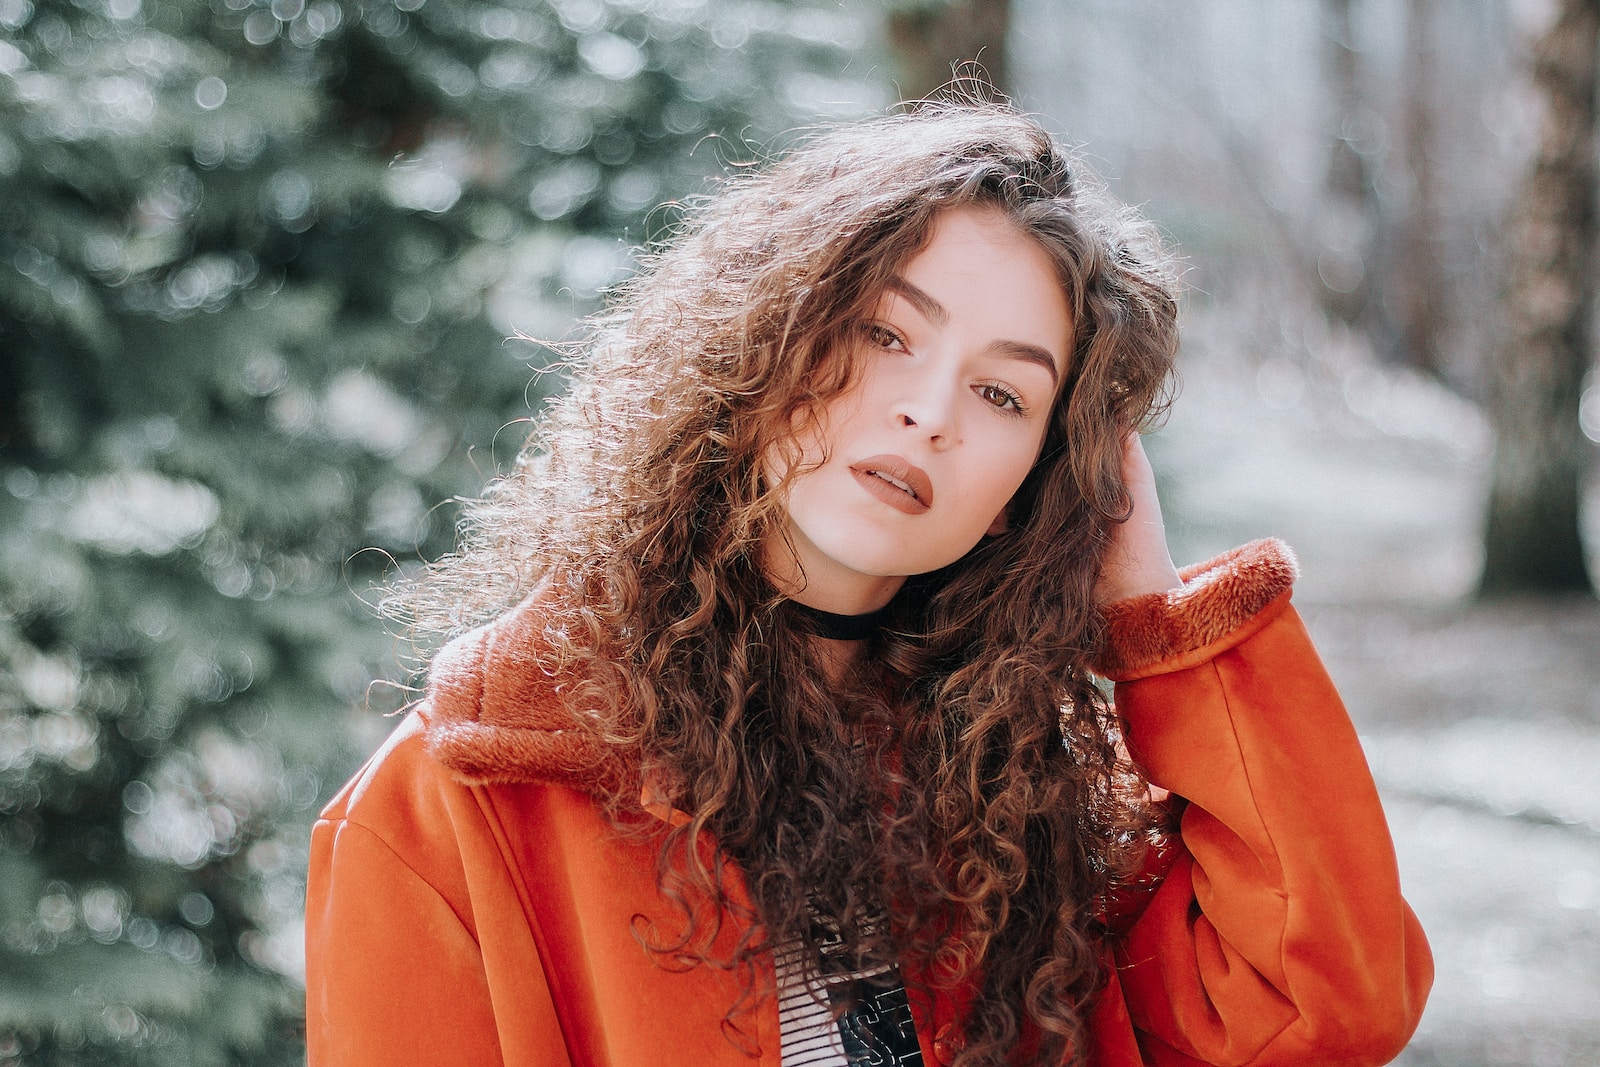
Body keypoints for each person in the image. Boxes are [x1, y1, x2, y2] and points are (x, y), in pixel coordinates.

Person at [304, 102, 1432, 1067]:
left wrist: (1157, 623)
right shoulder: (461, 801)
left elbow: (1329, 1001)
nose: (929, 411)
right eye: (888, 332)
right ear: (763, 335)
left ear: (1032, 486)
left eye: (1003, 396)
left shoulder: (1015, 790)